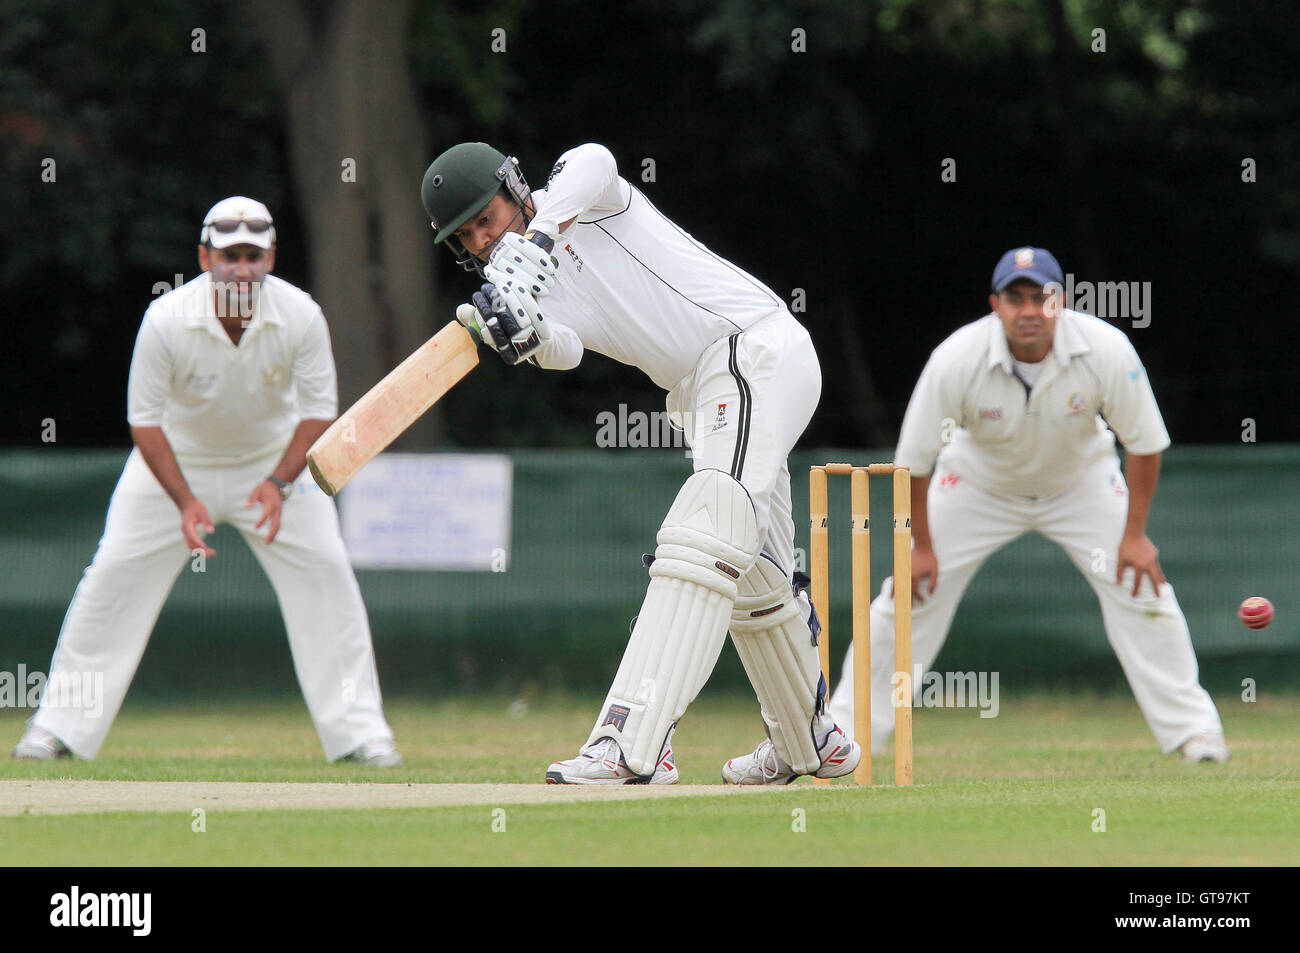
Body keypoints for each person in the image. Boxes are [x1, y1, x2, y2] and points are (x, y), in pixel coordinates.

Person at [421, 142, 858, 784]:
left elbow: (596, 159)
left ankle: (631, 742)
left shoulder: (584, 202)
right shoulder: (521, 282)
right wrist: (525, 333)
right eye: (468, 238)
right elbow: (567, 349)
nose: (485, 241)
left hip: (747, 353)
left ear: (514, 187)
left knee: (701, 538)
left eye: (487, 219)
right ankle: (811, 741)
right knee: (754, 572)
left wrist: (535, 243)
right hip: (709, 391)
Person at [13, 197, 402, 766]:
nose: (241, 269)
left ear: (270, 257)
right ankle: (58, 729)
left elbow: (319, 414)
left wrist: (278, 482)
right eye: (229, 256)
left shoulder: (301, 315)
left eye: (252, 255)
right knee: (114, 576)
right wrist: (185, 501)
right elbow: (144, 421)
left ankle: (362, 735)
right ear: (204, 257)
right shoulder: (167, 319)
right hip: (175, 463)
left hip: (276, 464)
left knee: (326, 575)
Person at [827, 246, 1229, 763]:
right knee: (908, 596)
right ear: (996, 304)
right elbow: (915, 462)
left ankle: (1196, 733)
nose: (1029, 310)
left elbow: (1145, 444)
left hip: (1081, 483)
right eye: (1016, 298)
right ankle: (845, 734)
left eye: (1042, 297)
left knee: (1142, 586)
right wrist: (920, 547)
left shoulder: (1106, 349)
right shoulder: (956, 358)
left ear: (1060, 302)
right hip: (976, 486)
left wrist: (1134, 537)